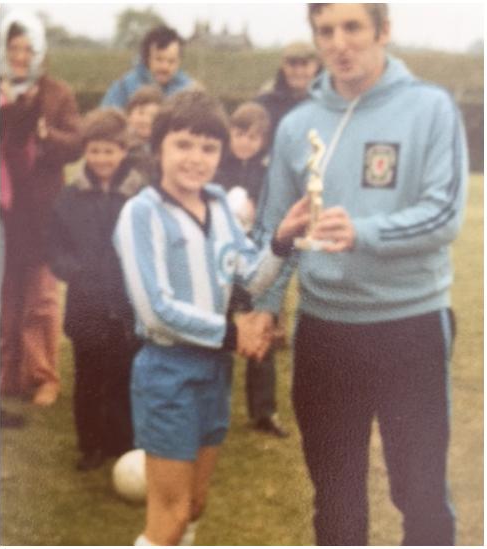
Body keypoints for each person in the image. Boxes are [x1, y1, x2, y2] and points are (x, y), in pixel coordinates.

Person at [251, 3, 468, 545]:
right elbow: (276, 228)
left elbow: (445, 214)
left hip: (410, 325)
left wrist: (364, 232)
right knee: (336, 494)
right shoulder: (298, 125)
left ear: (384, 32)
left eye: (353, 27)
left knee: (419, 492)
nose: (339, 43)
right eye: (326, 31)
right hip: (325, 331)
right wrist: (265, 306)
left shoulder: (430, 109)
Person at [113, 90, 315, 546]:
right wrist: (231, 332)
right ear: (158, 146)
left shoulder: (221, 205)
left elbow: (249, 276)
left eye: (208, 148)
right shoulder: (141, 213)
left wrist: (280, 240)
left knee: (195, 506)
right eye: (183, 144)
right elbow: (155, 309)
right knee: (170, 514)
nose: (196, 158)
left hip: (215, 371)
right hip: (167, 373)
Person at [48, 108, 145, 471]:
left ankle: (122, 444)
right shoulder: (70, 197)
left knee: (124, 375)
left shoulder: (139, 195)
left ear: (123, 151)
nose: (102, 159)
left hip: (127, 304)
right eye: (95, 151)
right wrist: (73, 270)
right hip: (86, 304)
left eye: (110, 151)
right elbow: (55, 247)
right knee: (89, 378)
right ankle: (90, 444)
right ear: (85, 152)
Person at [0, 10, 82, 406]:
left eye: (28, 49)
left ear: (40, 54)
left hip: (42, 211)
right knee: (7, 294)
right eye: (14, 47)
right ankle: (6, 373)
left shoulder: (57, 93)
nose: (20, 56)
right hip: (5, 210)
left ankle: (43, 375)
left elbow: (76, 143)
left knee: (42, 298)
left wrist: (48, 136)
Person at [213, 101, 289, 438]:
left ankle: (264, 410)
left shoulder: (269, 175)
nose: (245, 141)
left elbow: (274, 215)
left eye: (253, 137)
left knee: (261, 329)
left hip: (255, 260)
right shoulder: (216, 168)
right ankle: (213, 402)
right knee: (219, 330)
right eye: (239, 133)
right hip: (220, 261)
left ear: (264, 140)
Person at [101, 24, 199, 110]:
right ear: (146, 58)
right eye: (159, 59)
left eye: (171, 61)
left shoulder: (189, 91)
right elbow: (106, 122)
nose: (165, 67)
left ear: (179, 62)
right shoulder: (124, 87)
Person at [255, 41, 321, 142]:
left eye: (305, 64)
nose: (299, 71)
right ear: (283, 66)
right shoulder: (264, 104)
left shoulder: (330, 102)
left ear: (316, 66)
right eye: (292, 64)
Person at [124, 85, 166, 179]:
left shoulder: (162, 147)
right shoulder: (122, 145)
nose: (146, 120)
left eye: (153, 115)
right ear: (129, 115)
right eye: (141, 113)